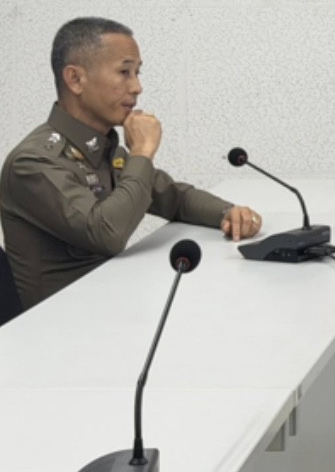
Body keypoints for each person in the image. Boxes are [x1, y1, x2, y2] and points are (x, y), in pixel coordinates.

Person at [0, 17, 262, 309]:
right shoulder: (32, 163)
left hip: (114, 301)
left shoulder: (103, 148)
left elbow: (173, 198)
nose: (137, 87)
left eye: (137, 72)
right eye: (124, 72)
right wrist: (143, 153)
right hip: (63, 322)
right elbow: (106, 233)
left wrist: (229, 213)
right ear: (75, 80)